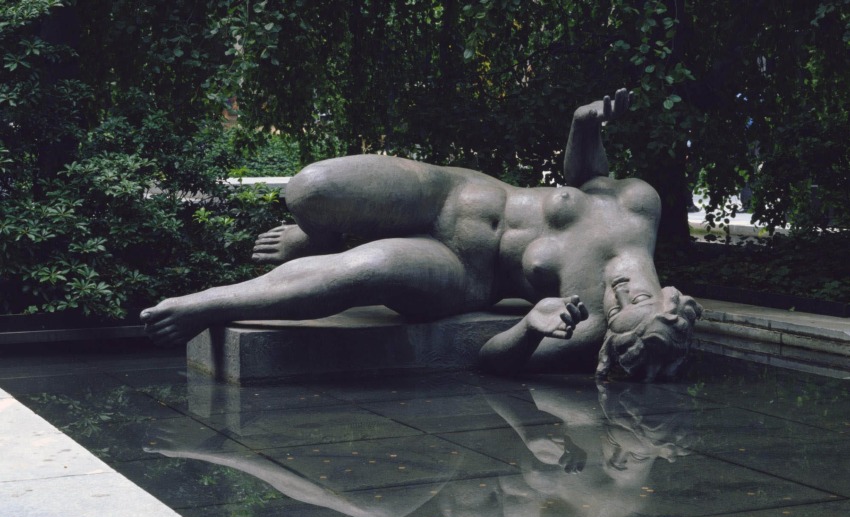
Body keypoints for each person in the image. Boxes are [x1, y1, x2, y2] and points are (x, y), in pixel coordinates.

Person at [141, 89, 702, 379]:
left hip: (463, 272)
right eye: (641, 299)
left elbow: (492, 359)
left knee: (368, 271)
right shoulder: (640, 206)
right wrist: (583, 126)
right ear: (669, 299)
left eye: (623, 310)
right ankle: (320, 237)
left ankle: (207, 302)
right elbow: (586, 179)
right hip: (455, 192)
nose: (624, 294)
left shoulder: (586, 328)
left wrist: (529, 328)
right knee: (311, 189)